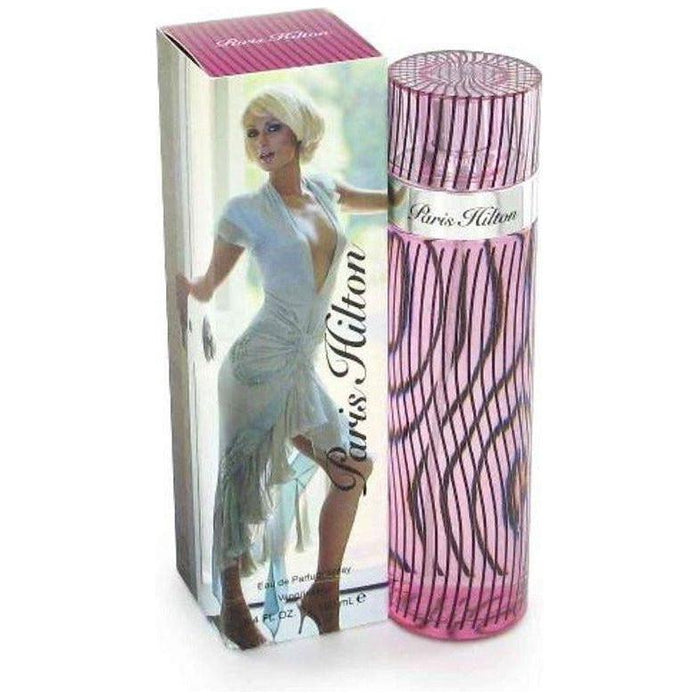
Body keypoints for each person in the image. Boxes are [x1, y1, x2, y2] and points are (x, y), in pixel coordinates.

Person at [176, 87, 386, 649]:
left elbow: (391, 199)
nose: (261, 142)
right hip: (255, 367)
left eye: (272, 128)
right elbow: (206, 284)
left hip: (298, 370)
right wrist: (181, 288)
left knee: (355, 467)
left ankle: (324, 592)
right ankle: (232, 607)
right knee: (238, 482)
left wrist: (430, 188)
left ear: (298, 131)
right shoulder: (244, 212)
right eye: (252, 133)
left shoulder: (325, 190)